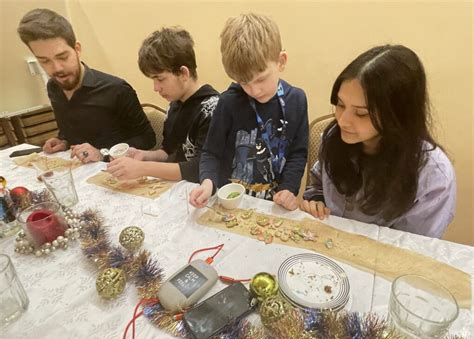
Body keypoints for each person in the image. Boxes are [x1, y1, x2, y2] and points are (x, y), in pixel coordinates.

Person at [301, 45, 456, 238]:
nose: (343, 121)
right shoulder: (334, 137)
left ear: (398, 115)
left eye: (361, 113)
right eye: (340, 105)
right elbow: (318, 184)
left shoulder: (433, 177)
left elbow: (413, 251)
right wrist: (317, 200)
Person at [189, 13, 308, 210]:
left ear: (281, 61)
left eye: (261, 79)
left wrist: (289, 188)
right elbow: (211, 152)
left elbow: (297, 153)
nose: (254, 90)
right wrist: (207, 182)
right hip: (231, 202)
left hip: (273, 204)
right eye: (243, 82)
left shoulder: (296, 100)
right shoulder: (228, 102)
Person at [17, 8, 155, 163]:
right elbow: (70, 131)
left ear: (77, 49)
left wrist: (104, 153)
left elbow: (147, 139)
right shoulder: (53, 87)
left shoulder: (117, 89)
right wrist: (62, 141)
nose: (57, 68)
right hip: (78, 170)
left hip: (117, 172)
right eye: (44, 61)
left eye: (62, 57)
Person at [105, 27, 219, 182]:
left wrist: (142, 168)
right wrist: (144, 156)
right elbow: (168, 152)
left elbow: (198, 168)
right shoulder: (174, 105)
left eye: (160, 79)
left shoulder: (213, 109)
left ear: (184, 73)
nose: (155, 88)